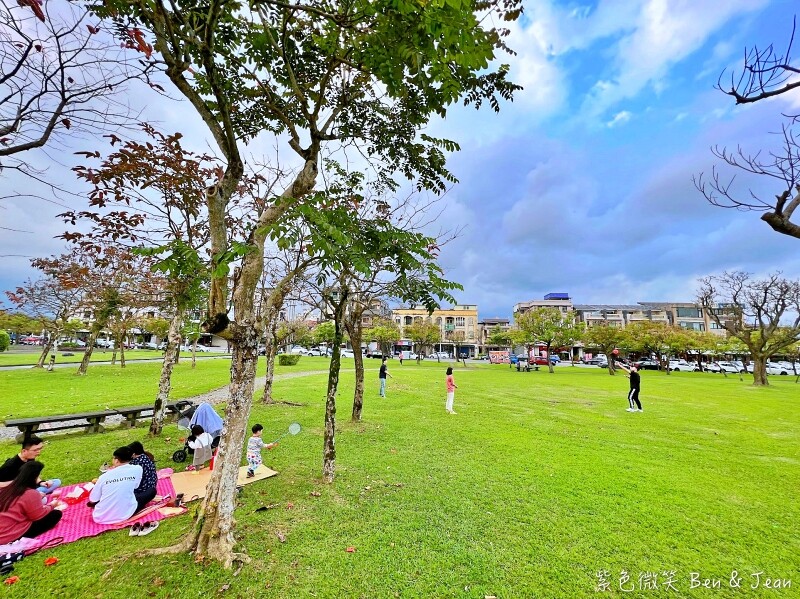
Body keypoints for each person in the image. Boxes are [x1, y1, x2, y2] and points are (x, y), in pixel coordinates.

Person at [0, 461, 65, 544]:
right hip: (8, 535)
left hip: (5, 528)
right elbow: (37, 516)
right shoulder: (30, 493)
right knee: (56, 514)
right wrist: (52, 505)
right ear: (34, 477)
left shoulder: (6, 488)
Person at [87, 446, 143, 525]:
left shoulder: (104, 477)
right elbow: (136, 486)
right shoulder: (138, 469)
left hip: (101, 517)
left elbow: (93, 499)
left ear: (116, 460)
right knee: (150, 492)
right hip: (126, 514)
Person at [128, 441, 157, 507]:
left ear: (133, 454)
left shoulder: (136, 463)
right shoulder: (145, 457)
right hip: (151, 486)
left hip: (144, 489)